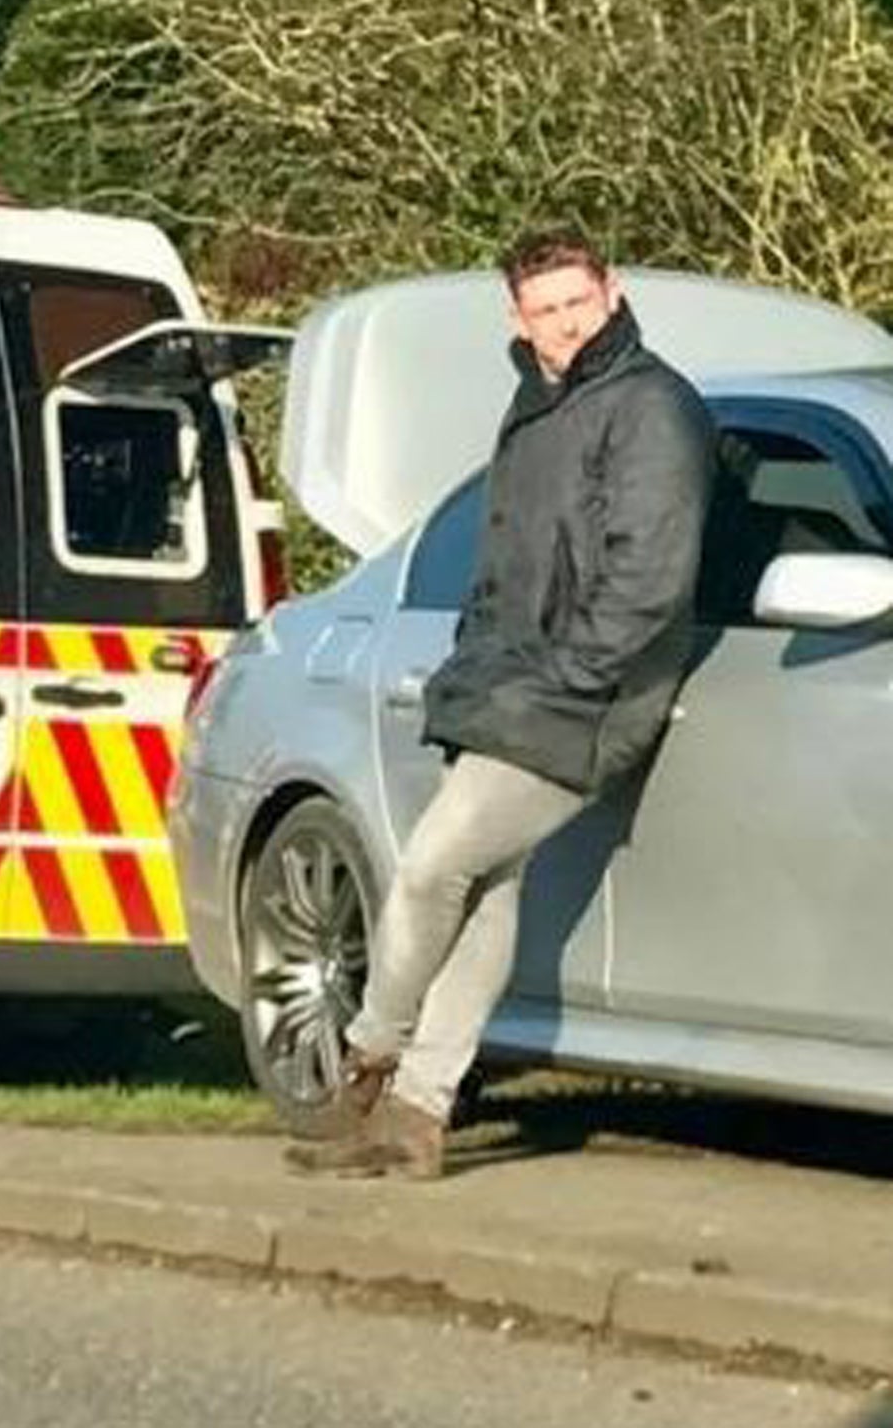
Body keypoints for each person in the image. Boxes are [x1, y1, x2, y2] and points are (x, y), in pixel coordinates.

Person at [291, 230, 717, 1180]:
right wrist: (485, 664)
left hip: (578, 700)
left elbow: (648, 579)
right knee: (487, 893)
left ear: (612, 292)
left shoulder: (651, 407)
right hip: (511, 687)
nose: (568, 322)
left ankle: (370, 1054)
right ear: (516, 320)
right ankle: (415, 1118)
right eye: (547, 310)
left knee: (431, 870)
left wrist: (565, 678)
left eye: (580, 301)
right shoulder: (542, 402)